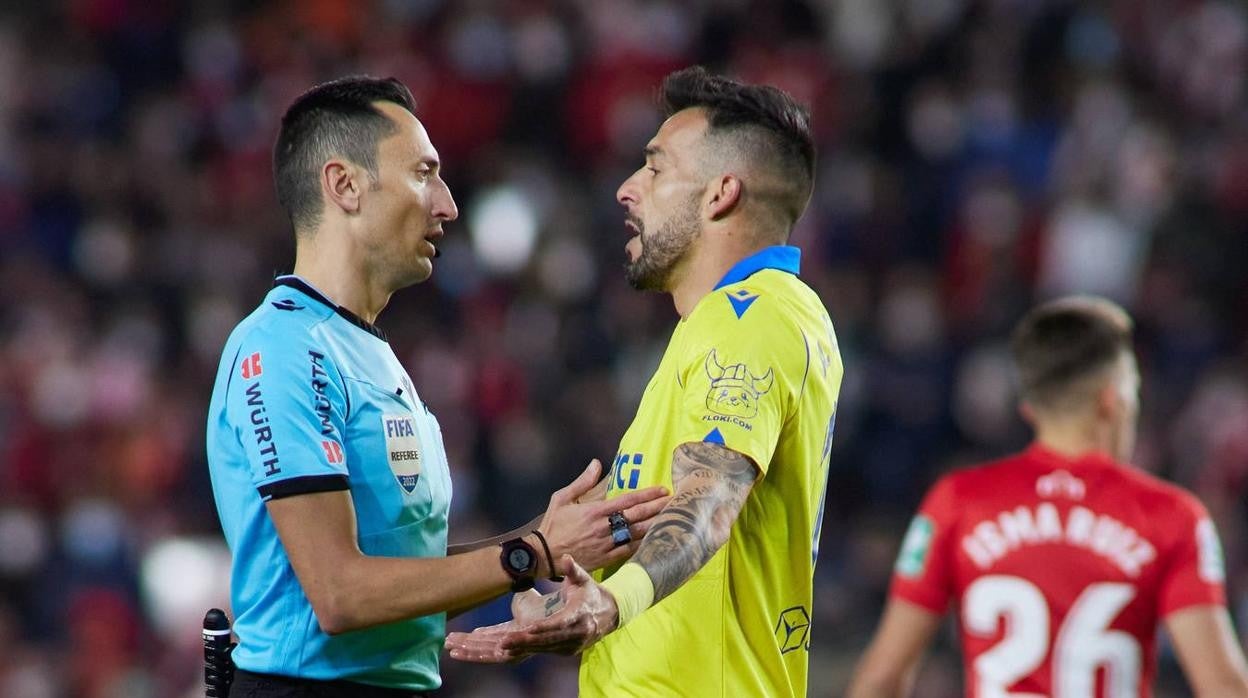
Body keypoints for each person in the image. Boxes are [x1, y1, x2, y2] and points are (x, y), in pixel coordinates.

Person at [205, 75, 670, 698]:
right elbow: (339, 595)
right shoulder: (285, 348)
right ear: (343, 185)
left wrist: (543, 545)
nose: (447, 204)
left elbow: (403, 580)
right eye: (424, 173)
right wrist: (528, 553)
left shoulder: (368, 353)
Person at [445, 67, 843, 697]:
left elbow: (711, 498)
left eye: (655, 169)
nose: (627, 189)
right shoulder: (714, 328)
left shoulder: (755, 312)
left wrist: (608, 605)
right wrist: (553, 581)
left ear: (721, 194)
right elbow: (669, 522)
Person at [846, 296, 1248, 698]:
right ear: (1113, 399)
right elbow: (1223, 686)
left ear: (1029, 408)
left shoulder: (958, 501)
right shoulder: (1172, 516)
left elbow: (881, 679)